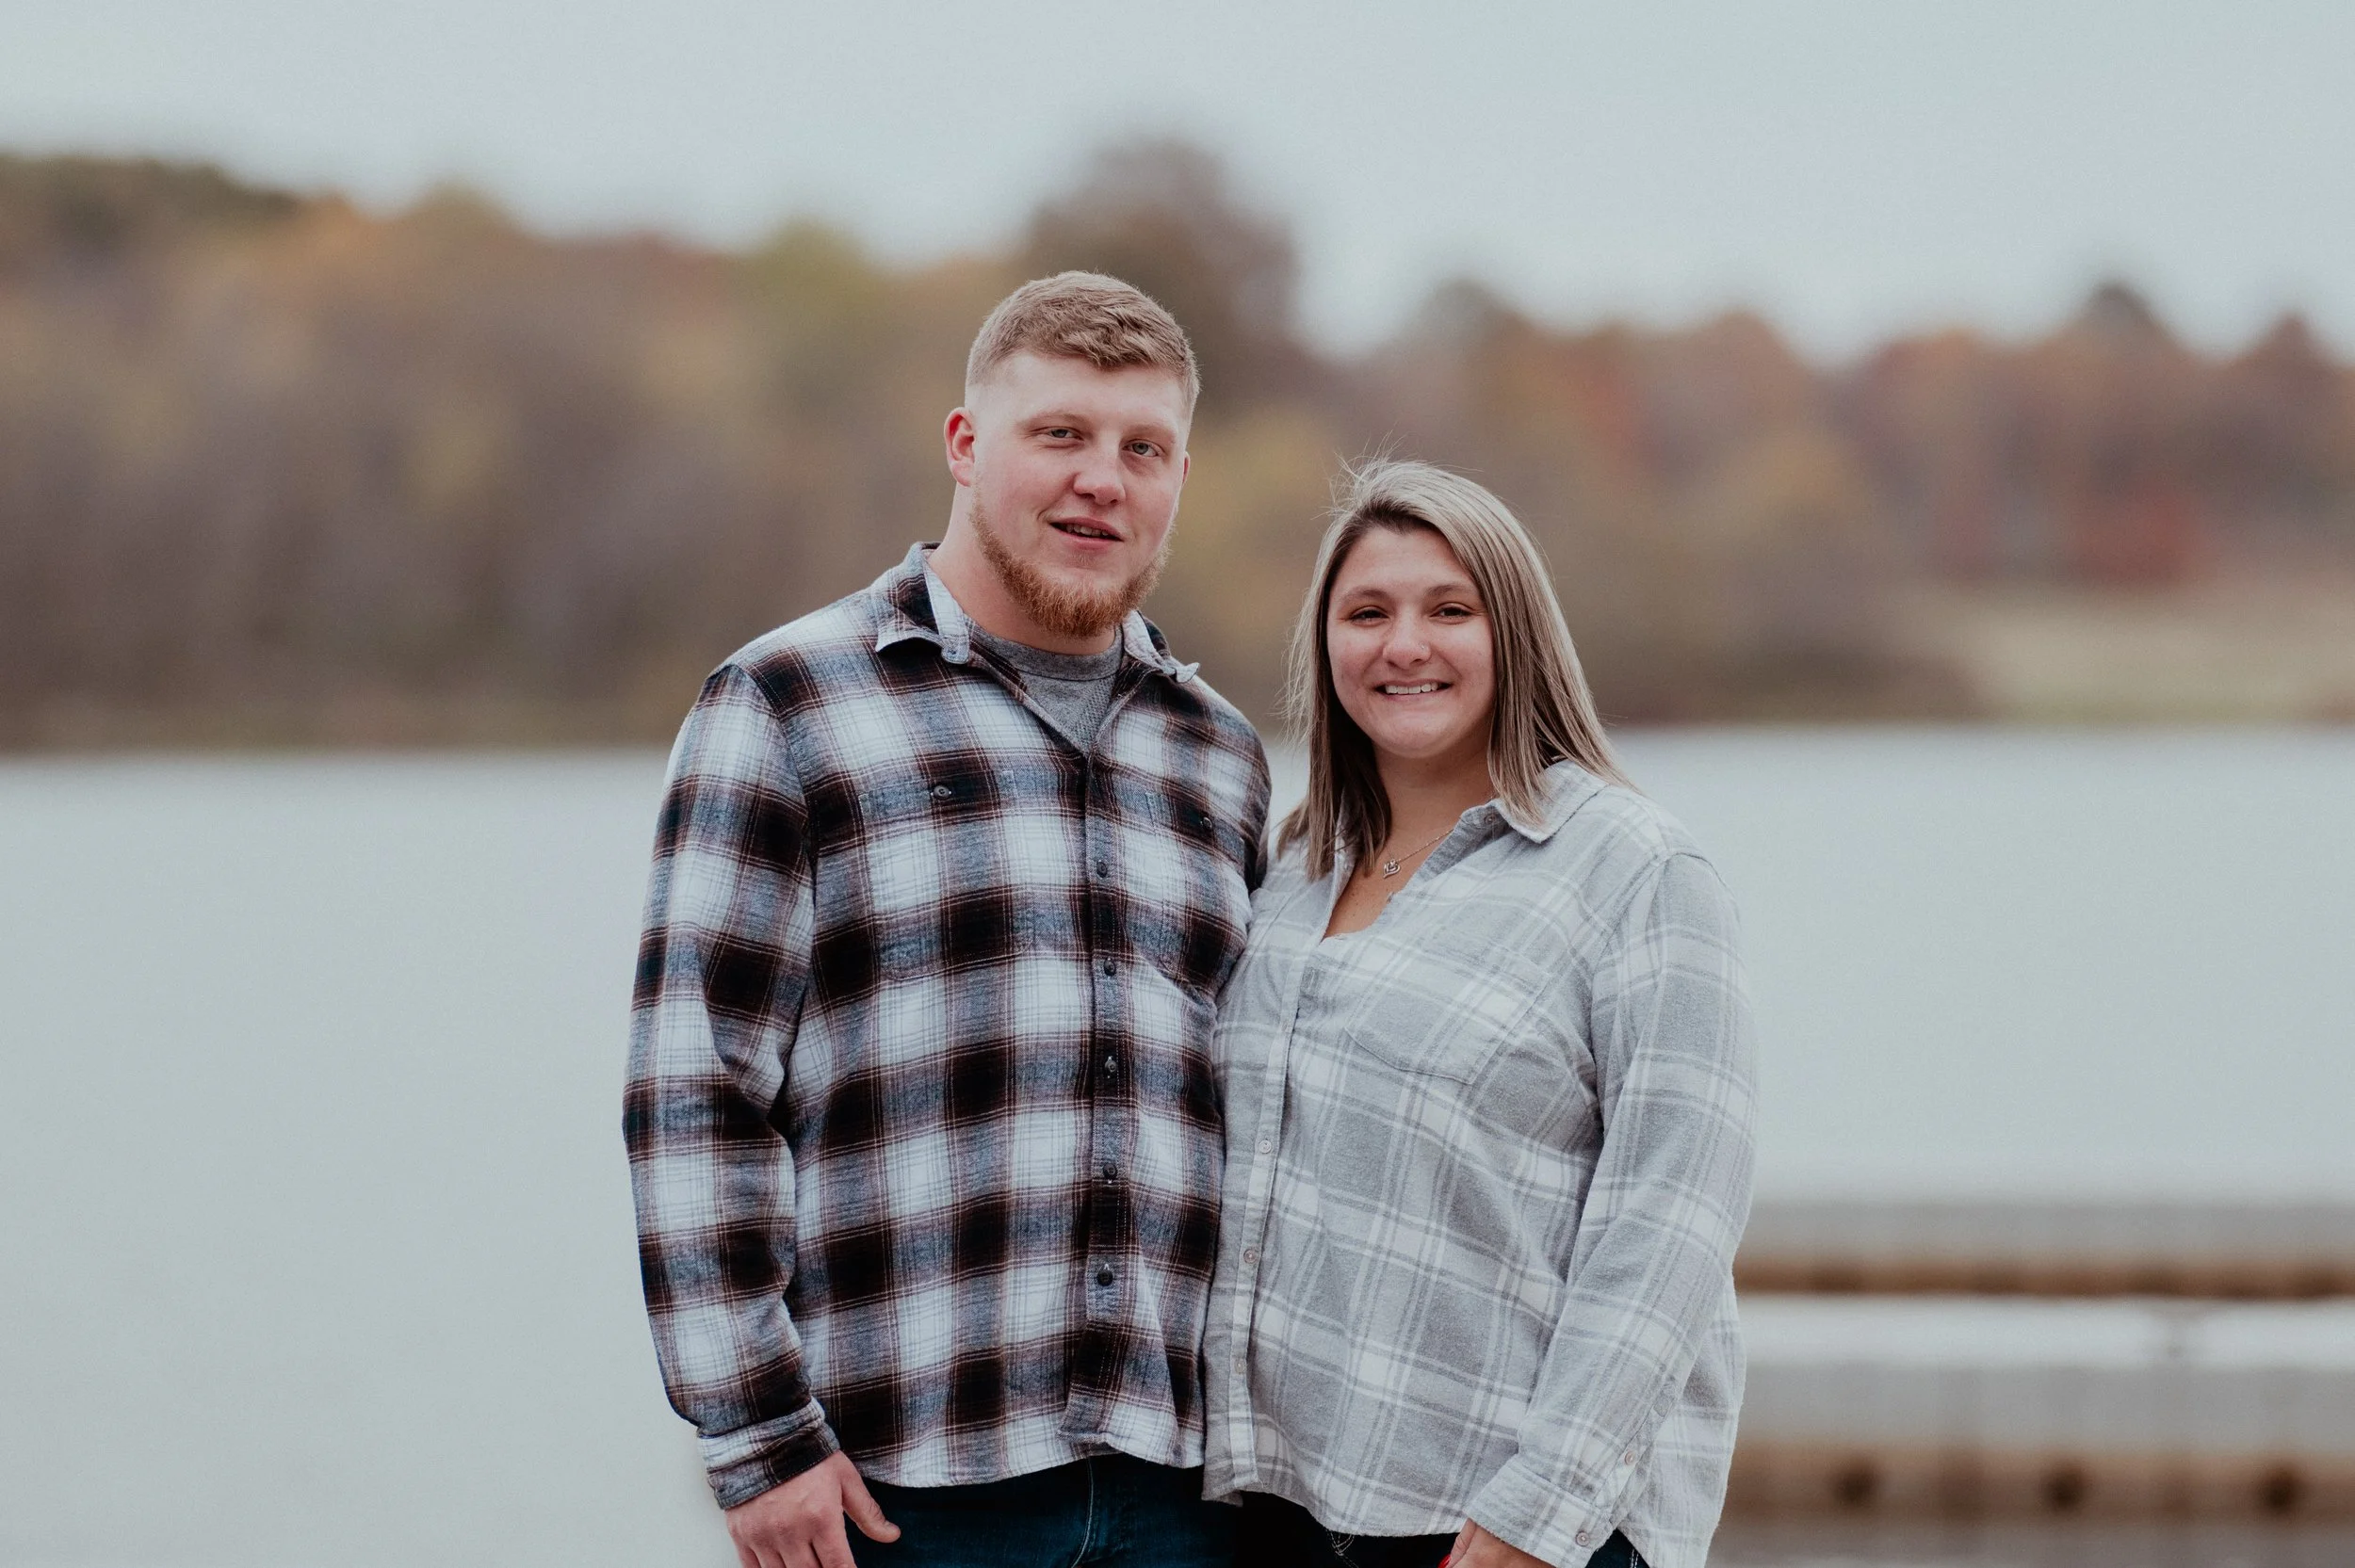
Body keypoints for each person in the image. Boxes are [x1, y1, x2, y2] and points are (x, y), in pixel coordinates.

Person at [625, 272, 1270, 1568]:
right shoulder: (786, 704)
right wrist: (758, 1439)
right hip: (902, 1488)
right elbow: (694, 1094)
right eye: (1062, 435)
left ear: (1180, 476)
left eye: (1143, 449)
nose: (1105, 479)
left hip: (1187, 1491)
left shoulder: (1222, 755)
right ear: (967, 447)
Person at [1202, 461, 1757, 1568]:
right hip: (1287, 1509)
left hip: (1505, 1526)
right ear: (1325, 647)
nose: (1404, 644)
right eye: (1367, 613)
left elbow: (1673, 1223)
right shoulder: (1293, 875)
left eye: (1449, 610)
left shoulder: (1634, 870)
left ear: (1516, 636)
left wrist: (1537, 1511)